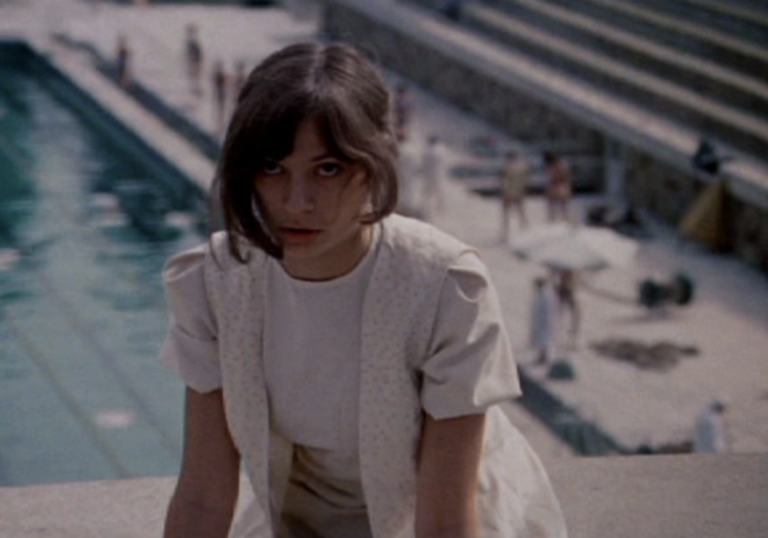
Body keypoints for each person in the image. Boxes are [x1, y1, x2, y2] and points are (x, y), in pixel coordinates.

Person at [159, 42, 567, 538]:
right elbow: (203, 496)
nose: (298, 202)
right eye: (272, 168)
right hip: (300, 522)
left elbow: (446, 523)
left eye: (327, 169)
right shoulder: (216, 282)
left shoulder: (443, 287)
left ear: (375, 162)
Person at [499, 150, 530, 242]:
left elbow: (504, 181)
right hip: (519, 191)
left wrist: (504, 192)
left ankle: (506, 234)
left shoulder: (508, 168)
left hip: (509, 191)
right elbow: (527, 178)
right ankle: (525, 229)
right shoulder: (523, 167)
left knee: (506, 214)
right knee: (521, 211)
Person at [529, 276, 559, 365]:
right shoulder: (541, 294)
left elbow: (548, 311)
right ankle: (541, 357)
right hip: (541, 322)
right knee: (541, 341)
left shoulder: (546, 296)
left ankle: (544, 358)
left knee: (544, 341)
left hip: (545, 323)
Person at [552, 267, 580, 350]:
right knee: (561, 318)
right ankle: (565, 341)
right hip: (563, 293)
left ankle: (570, 341)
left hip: (566, 293)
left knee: (570, 318)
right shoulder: (561, 271)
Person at [420, 134, 448, 219]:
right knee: (439, 191)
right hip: (438, 174)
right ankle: (440, 207)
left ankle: (427, 210)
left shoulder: (428, 151)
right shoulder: (442, 149)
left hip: (430, 175)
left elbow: (424, 164)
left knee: (428, 193)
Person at [543, 151, 572, 222]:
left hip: (560, 184)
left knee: (560, 201)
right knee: (556, 201)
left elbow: (561, 175)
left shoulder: (560, 165)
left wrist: (555, 179)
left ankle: (561, 217)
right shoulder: (560, 164)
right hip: (559, 184)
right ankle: (556, 216)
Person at [184, 23, 204, 98]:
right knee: (193, 78)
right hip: (192, 63)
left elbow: (198, 54)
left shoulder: (194, 43)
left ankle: (196, 92)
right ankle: (194, 92)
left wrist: (197, 62)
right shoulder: (190, 43)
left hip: (195, 63)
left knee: (195, 78)